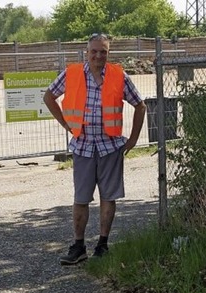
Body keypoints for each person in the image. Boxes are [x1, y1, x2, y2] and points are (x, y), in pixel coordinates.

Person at [43, 33, 147, 265]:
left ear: (108, 53)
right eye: (94, 51)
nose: (98, 55)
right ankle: (79, 247)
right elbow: (49, 96)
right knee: (81, 198)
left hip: (110, 147)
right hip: (83, 147)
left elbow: (140, 106)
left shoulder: (119, 76)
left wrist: (132, 140)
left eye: (103, 51)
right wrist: (66, 124)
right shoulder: (72, 74)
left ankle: (102, 245)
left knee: (108, 197)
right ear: (86, 52)